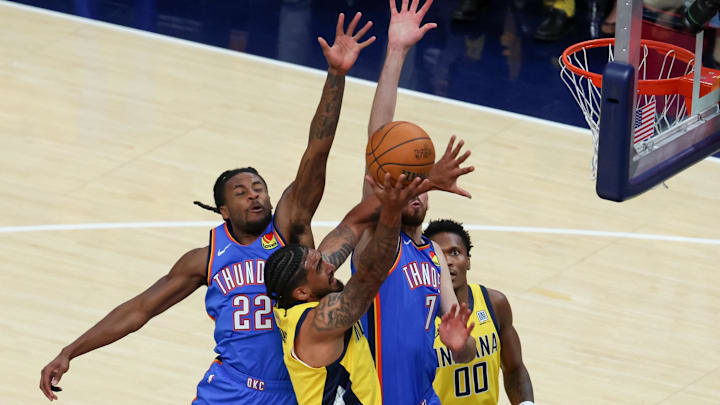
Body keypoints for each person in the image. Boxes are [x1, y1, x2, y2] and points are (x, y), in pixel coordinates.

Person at [38, 12, 376, 403]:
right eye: (241, 191)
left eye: (259, 187)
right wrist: (70, 351)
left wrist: (336, 75)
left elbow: (317, 152)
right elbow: (139, 310)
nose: (254, 195)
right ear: (223, 210)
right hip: (229, 389)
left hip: (296, 391)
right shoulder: (206, 258)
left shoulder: (289, 231)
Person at [265, 168, 475, 405]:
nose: (331, 265)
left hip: (424, 397)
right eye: (319, 266)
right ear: (302, 292)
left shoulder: (307, 298)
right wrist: (403, 199)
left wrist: (460, 346)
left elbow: (353, 222)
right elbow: (369, 275)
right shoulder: (320, 321)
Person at [355, 1, 478, 403]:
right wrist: (396, 53)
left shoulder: (434, 257)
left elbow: (464, 355)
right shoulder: (376, 236)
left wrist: (460, 344)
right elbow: (380, 134)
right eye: (406, 183)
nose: (416, 191)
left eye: (422, 185)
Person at [425, 219, 534, 405]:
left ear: (467, 261)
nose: (448, 261)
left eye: (455, 252)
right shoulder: (418, 315)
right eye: (439, 256)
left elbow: (514, 369)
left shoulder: (495, 303)